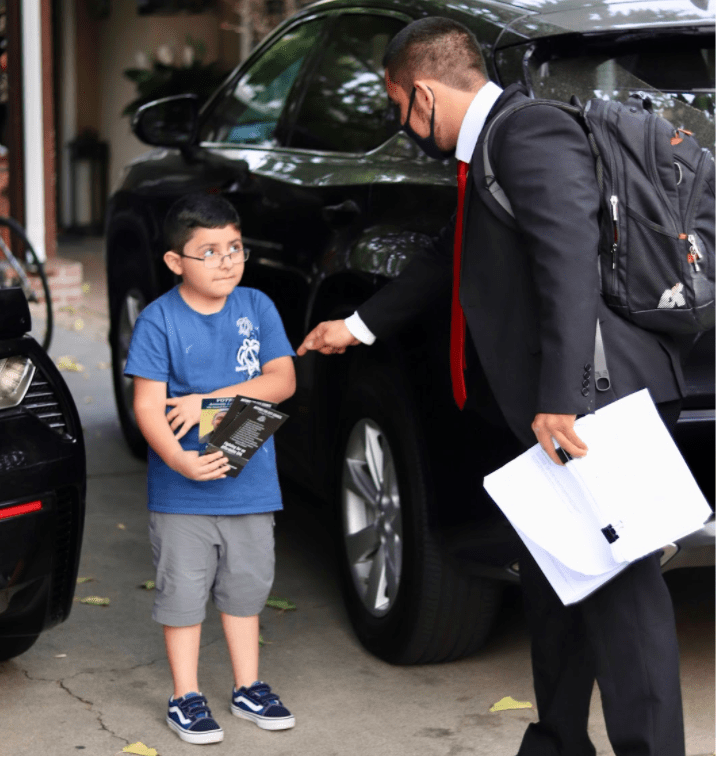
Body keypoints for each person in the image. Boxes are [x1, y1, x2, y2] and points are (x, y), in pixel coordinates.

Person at [297, 17, 686, 757]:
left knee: (625, 598)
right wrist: (360, 325)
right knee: (556, 582)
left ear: (420, 94)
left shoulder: (529, 131)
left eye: (396, 108)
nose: (399, 124)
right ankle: (557, 740)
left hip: (590, 404)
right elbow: (454, 254)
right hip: (560, 403)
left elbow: (568, 265)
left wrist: (561, 397)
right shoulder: (493, 146)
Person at [125, 193, 297, 745]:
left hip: (251, 489)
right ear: (177, 261)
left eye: (235, 247)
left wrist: (208, 400)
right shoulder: (159, 321)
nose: (227, 260)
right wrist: (179, 461)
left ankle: (248, 687)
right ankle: (186, 695)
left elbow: (282, 381)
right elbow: (148, 406)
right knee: (183, 595)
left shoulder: (257, 307)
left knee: (247, 591)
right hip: (184, 494)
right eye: (210, 251)